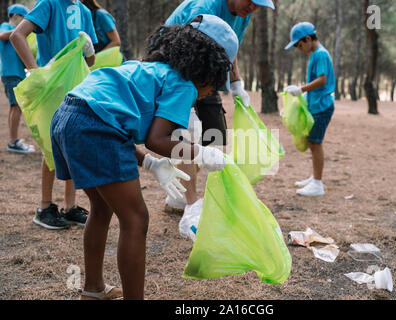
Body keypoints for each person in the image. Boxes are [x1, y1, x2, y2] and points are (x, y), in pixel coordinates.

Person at [50, 14, 237, 300]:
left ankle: (93, 289)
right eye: (215, 84)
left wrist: (150, 163)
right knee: (136, 219)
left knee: (101, 208)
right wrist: (202, 153)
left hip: (67, 117)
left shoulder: (148, 70)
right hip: (92, 127)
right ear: (209, 69)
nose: (209, 93)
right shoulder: (184, 85)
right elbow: (157, 139)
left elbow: (114, 121)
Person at [163, 0, 275, 218]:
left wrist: (237, 85)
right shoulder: (204, 9)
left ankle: (189, 190)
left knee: (214, 134)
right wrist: (186, 105)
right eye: (252, 1)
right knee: (185, 133)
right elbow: (182, 53)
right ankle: (189, 203)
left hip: (206, 71)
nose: (254, 7)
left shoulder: (244, 13)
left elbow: (230, 50)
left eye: (259, 4)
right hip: (176, 69)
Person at [10, 0, 98, 229]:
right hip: (52, 88)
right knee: (52, 146)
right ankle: (44, 207)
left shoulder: (85, 11)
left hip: (77, 87)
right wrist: (35, 71)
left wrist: (90, 51)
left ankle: (70, 207)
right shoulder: (49, 3)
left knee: (73, 144)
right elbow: (17, 36)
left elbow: (89, 60)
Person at [284, 22, 335, 197]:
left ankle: (318, 184)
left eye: (299, 45)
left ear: (307, 39)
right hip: (316, 104)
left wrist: (301, 89)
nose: (299, 49)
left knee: (316, 142)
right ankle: (314, 177)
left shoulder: (321, 54)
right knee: (312, 143)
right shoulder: (315, 54)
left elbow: (322, 80)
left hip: (322, 106)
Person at [0, 4, 34, 154]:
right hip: (11, 73)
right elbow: (1, 36)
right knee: (16, 107)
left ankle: (13, 140)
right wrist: (19, 31)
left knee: (15, 106)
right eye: (23, 19)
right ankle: (13, 142)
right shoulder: (6, 26)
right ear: (15, 17)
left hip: (16, 73)